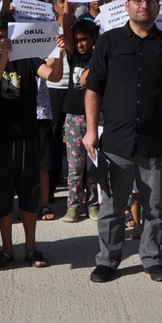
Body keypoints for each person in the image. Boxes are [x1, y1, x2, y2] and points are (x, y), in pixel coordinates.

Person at [83, 0, 162, 283]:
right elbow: (94, 88)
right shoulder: (108, 43)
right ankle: (107, 260)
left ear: (159, 6)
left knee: (157, 209)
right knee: (111, 208)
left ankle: (153, 258)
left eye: (150, 1)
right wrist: (91, 131)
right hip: (116, 142)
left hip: (158, 143)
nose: (144, 6)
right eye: (138, 0)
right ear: (127, 5)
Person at [0, 12, 50, 269]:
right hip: (0, 140)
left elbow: (51, 75)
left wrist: (60, 52)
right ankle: (7, 249)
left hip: (28, 138)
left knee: (30, 193)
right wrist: (4, 56)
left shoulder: (30, 58)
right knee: (1, 195)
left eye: (3, 37)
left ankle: (31, 247)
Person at [61, 18, 100, 223]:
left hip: (95, 117)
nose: (80, 44)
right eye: (77, 41)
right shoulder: (73, 56)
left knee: (93, 164)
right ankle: (73, 205)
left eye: (84, 39)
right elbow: (66, 27)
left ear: (94, 39)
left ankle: (93, 204)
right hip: (74, 116)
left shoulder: (100, 57)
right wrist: (67, 6)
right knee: (75, 164)